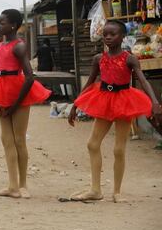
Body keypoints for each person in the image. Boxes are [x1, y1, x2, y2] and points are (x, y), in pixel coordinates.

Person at [67, 19, 161, 203]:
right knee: (92, 144)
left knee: (119, 148)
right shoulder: (98, 59)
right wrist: (75, 104)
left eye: (113, 34)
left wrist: (155, 102)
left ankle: (117, 192)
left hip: (124, 102)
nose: (108, 37)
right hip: (103, 99)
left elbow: (143, 81)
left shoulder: (130, 59)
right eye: (105, 34)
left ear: (123, 36)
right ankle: (95, 189)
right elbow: (89, 83)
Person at [0, 9, 51, 199]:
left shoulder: (19, 46)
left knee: (19, 140)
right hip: (2, 92)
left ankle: (23, 185)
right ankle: (12, 185)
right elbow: (1, 69)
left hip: (19, 94)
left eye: (2, 22)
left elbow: (29, 77)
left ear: (13, 25)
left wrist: (15, 104)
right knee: (7, 140)